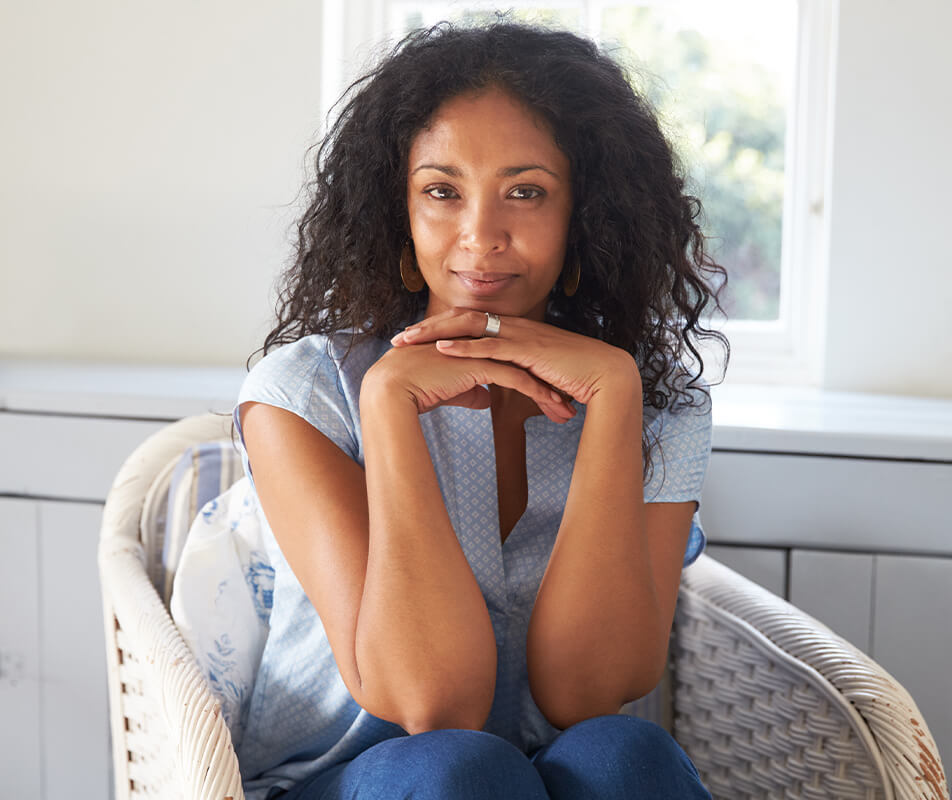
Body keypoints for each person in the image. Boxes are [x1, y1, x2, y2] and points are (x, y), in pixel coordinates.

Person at [232, 20, 727, 800]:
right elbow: (436, 703)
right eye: (441, 191)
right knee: (464, 771)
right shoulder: (304, 394)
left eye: (525, 192)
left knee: (625, 755)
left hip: (547, 779)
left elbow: (587, 694)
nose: (480, 236)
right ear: (399, 213)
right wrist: (389, 402)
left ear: (585, 217)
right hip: (355, 779)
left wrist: (614, 397)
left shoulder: (659, 405)